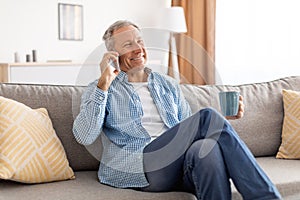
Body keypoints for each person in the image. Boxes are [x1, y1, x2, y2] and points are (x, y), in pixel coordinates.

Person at [73, 20, 281, 200]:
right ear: (112, 55)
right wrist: (104, 85)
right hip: (139, 165)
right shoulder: (101, 88)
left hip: (177, 164)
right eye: (128, 44)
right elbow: (84, 135)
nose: (138, 48)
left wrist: (222, 120)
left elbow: (188, 128)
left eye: (140, 41)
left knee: (207, 149)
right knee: (207, 117)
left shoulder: (168, 84)